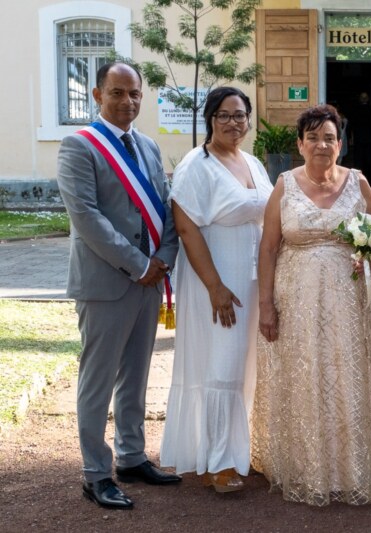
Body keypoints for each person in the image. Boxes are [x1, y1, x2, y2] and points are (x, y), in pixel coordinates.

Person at [253, 104, 371, 506]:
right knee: (306, 374)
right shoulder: (283, 184)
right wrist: (266, 305)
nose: (322, 144)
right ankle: (306, 467)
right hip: (297, 297)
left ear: (341, 143)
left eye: (330, 137)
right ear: (300, 144)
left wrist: (366, 254)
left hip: (349, 299)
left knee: (346, 374)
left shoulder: (358, 182)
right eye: (313, 137)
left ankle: (351, 466)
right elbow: (268, 248)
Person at [56, 61, 180, 510]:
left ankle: (131, 457)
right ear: (96, 94)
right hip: (106, 282)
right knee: (98, 381)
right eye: (117, 93)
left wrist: (164, 258)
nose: (127, 101)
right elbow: (87, 218)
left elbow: (166, 208)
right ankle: (95, 473)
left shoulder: (147, 145)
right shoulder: (78, 146)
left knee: (137, 376)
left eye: (134, 94)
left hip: (148, 280)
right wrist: (139, 263)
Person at [159, 87, 273, 492]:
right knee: (221, 367)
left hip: (253, 279)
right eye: (224, 115)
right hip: (218, 282)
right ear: (210, 118)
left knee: (245, 368)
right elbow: (187, 228)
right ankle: (217, 462)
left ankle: (239, 452)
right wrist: (215, 286)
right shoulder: (197, 165)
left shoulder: (253, 163)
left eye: (240, 115)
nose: (233, 123)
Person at [347, 92, 371, 192]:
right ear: (368, 99)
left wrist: (350, 138)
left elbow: (351, 126)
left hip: (359, 141)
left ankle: (358, 186)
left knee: (359, 163)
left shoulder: (355, 111)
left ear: (360, 99)